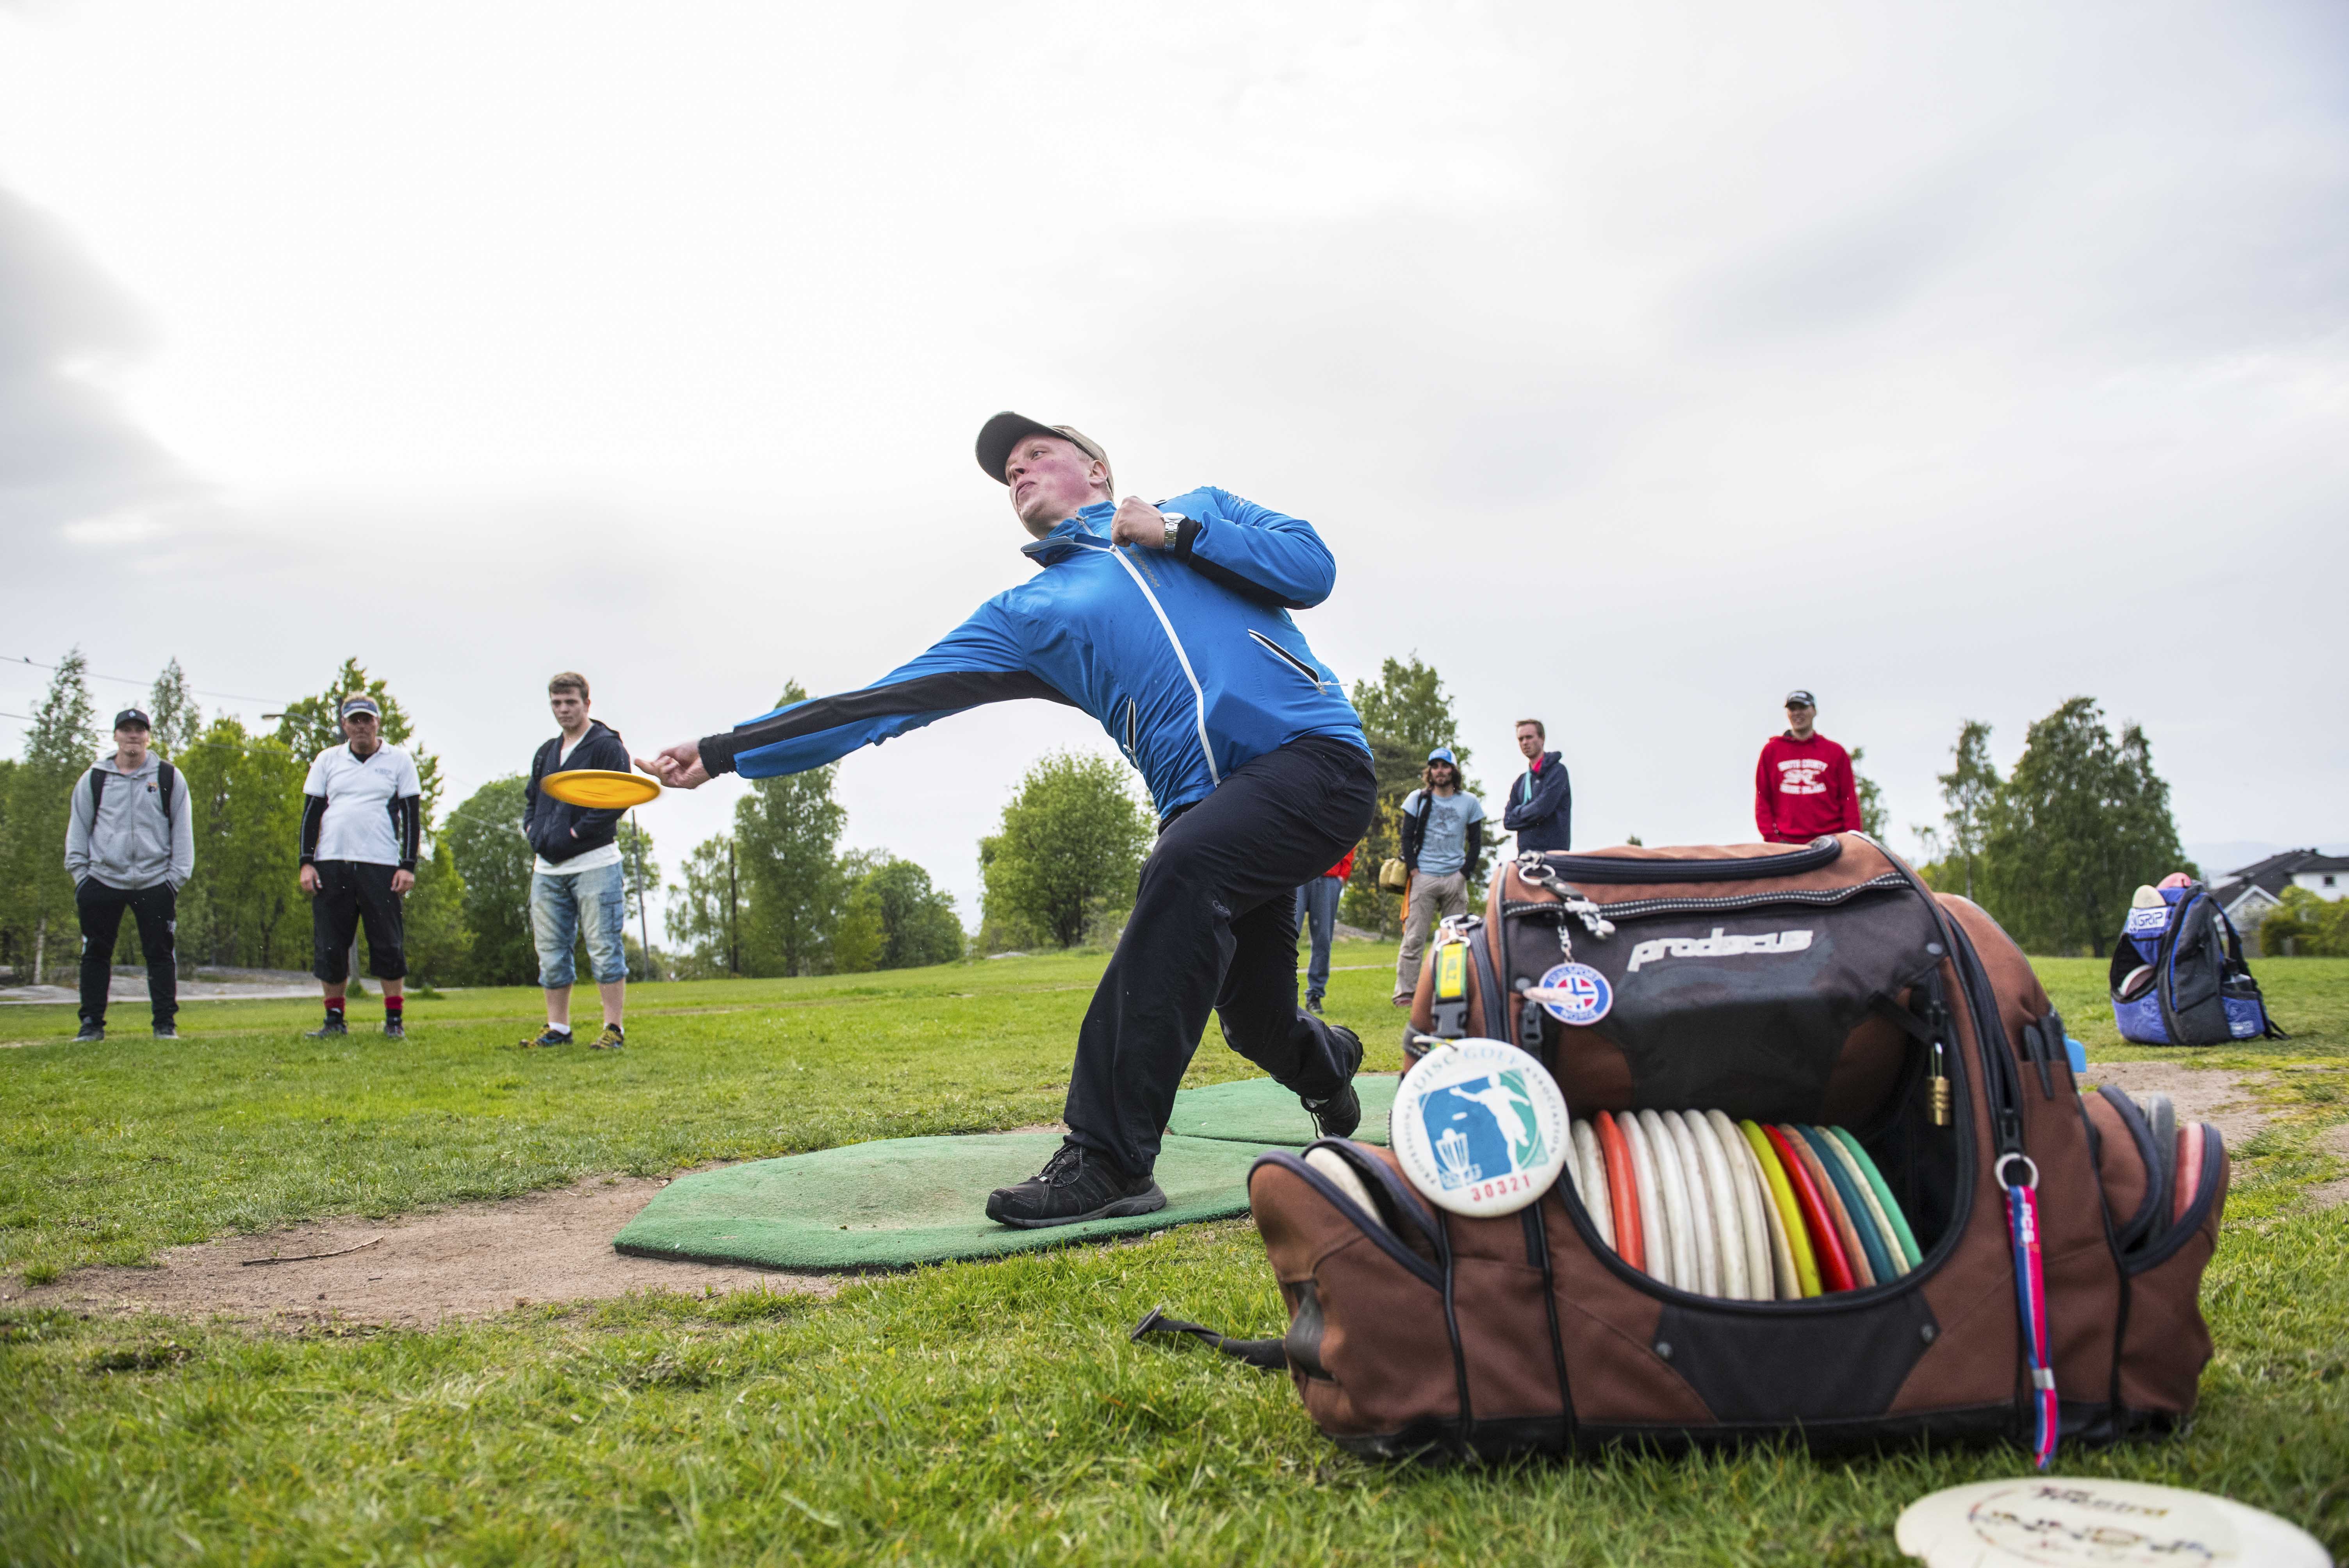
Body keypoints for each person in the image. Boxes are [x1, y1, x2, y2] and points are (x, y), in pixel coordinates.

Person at [638, 412, 1376, 1228]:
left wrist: (1176, 530)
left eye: (1035, 455)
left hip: (1314, 758)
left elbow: (1311, 566)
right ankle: (1324, 1064)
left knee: (1182, 869)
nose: (1017, 473)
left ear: (1096, 469)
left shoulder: (1196, 508)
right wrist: (726, 749)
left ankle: (1109, 1160)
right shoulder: (1029, 612)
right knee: (1254, 1017)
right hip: (1206, 810)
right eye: (1007, 473)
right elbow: (886, 699)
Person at [64, 708, 193, 1042]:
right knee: (96, 953)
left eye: (139, 730)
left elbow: (182, 833)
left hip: (155, 882)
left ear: (148, 736)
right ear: (116, 736)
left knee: (161, 955)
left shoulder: (168, 777)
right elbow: (78, 830)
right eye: (126, 730)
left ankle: (165, 1025)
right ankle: (91, 1025)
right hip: (102, 880)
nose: (133, 735)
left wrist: (174, 880)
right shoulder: (95, 778)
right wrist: (83, 878)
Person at [520, 672, 634, 1051]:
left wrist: (574, 834)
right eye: (556, 702)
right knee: (551, 951)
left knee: (603, 947)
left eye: (570, 701)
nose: (563, 709)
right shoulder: (546, 752)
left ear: (587, 703)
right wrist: (534, 831)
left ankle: (613, 1028)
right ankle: (558, 1027)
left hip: (595, 863)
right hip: (548, 870)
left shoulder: (606, 747)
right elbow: (532, 801)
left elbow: (617, 799)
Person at [297, 695, 422, 1038]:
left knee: (388, 943)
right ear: (344, 725)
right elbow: (311, 814)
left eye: (367, 720)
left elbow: (412, 817)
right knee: (330, 944)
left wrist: (408, 865)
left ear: (378, 722)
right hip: (331, 862)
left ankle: (394, 1020)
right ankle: (334, 1020)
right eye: (354, 721)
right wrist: (306, 863)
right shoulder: (327, 760)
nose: (361, 726)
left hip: (380, 864)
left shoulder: (398, 761)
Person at [1392, 747, 1484, 1005]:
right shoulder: (1417, 799)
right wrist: (1414, 871)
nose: (1440, 771)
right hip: (1424, 877)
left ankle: (1451, 992)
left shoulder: (1469, 802)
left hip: (1455, 878)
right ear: (1430, 772)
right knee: (1414, 939)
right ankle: (1406, 995)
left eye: (1445, 766)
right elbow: (1406, 837)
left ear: (1454, 770)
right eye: (1435, 766)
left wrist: (1464, 874)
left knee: (1456, 941)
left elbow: (1476, 842)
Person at [1754, 688, 1862, 844]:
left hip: (1831, 842)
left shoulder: (1835, 752)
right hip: (1787, 844)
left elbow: (1849, 799)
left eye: (1803, 708)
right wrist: (1772, 838)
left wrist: (1852, 841)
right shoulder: (1771, 752)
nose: (1798, 713)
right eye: (1793, 709)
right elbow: (1763, 797)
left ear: (1814, 711)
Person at [1293, 845, 1355, 1016]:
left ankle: (1315, 996)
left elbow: (1349, 833)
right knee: (1287, 936)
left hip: (1329, 877)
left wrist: (1343, 875)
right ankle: (1280, 994)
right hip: (1297, 874)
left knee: (1323, 940)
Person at [1502, 717, 1572, 854]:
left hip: (1554, 856)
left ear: (1542, 739)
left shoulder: (1557, 772)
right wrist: (1532, 813)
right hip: (1525, 856)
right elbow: (1508, 821)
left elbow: (1542, 809)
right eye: (1521, 739)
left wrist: (1519, 812)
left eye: (1529, 737)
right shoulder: (1521, 782)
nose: (1525, 743)